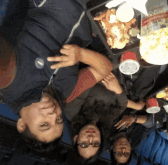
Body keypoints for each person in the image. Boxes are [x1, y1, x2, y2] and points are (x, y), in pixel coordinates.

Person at [0, 0, 112, 148]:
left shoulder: (9, 82)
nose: (53, 114)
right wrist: (81, 55)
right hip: (95, 12)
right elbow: (105, 68)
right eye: (59, 120)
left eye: (44, 124)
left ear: (21, 124)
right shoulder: (63, 94)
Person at [63, 71, 145, 163]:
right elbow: (120, 106)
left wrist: (134, 105)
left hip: (104, 67)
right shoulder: (104, 123)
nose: (90, 137)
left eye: (84, 143)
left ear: (75, 139)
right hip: (121, 78)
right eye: (95, 143)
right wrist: (118, 91)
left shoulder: (72, 112)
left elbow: (86, 79)